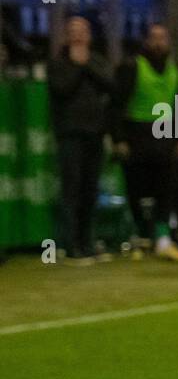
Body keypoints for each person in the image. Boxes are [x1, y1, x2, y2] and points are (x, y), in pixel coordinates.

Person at [110, 23, 178, 260]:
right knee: (137, 189)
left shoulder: (176, 69)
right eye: (154, 38)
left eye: (162, 38)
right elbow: (116, 104)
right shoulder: (132, 67)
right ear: (146, 41)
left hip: (166, 134)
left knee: (165, 189)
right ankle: (139, 238)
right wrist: (119, 137)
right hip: (137, 133)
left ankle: (162, 239)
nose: (158, 42)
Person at [47, 17, 114, 264]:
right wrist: (78, 67)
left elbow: (110, 85)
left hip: (95, 133)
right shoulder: (58, 64)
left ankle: (88, 242)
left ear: (89, 35)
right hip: (70, 133)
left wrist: (86, 66)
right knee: (71, 189)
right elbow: (61, 90)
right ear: (65, 36)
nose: (78, 36)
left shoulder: (97, 61)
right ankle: (71, 244)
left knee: (90, 190)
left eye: (82, 31)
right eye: (73, 32)